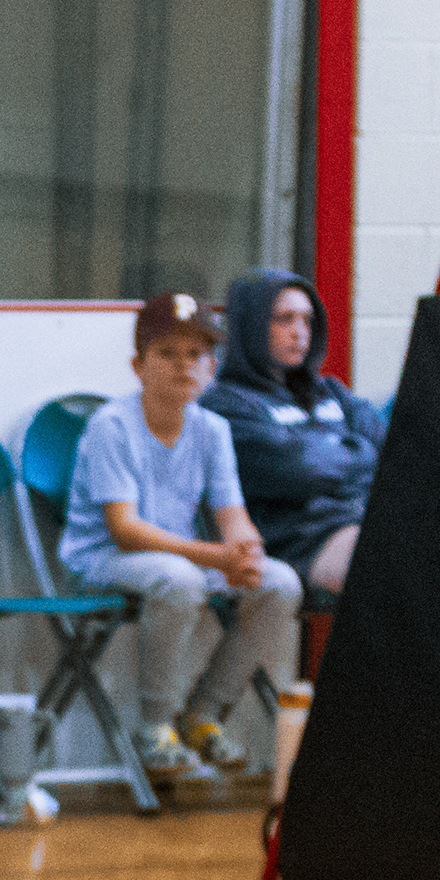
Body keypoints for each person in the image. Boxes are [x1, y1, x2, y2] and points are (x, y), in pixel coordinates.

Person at [64, 294, 303, 784]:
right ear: (138, 366)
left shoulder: (213, 429)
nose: (183, 365)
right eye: (167, 352)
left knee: (280, 584)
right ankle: (155, 726)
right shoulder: (111, 426)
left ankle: (203, 714)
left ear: (211, 368)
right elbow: (124, 530)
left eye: (196, 354)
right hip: (104, 556)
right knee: (180, 579)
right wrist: (214, 555)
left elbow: (232, 514)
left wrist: (246, 552)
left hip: (179, 558)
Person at [202, 268, 378, 608]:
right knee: (391, 561)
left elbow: (390, 451)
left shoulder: (332, 391)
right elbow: (302, 471)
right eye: (284, 319)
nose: (299, 332)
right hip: (298, 543)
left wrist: (328, 452)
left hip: (362, 522)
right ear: (252, 325)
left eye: (307, 320)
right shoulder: (226, 404)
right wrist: (357, 450)